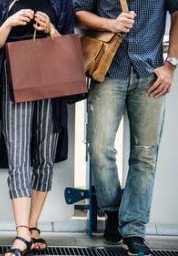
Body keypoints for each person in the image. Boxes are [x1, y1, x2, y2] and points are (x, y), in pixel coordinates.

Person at [74, 0, 177, 255]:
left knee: (145, 154)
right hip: (108, 70)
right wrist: (111, 23)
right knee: (99, 149)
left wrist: (171, 64)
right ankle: (113, 210)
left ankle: (133, 230)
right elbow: (79, 12)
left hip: (151, 73)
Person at [0, 0, 74, 255]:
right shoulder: (3, 2)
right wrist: (10, 22)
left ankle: (33, 224)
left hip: (53, 82)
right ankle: (22, 231)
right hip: (16, 80)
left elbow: (68, 43)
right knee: (18, 154)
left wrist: (50, 28)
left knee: (45, 156)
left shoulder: (61, 2)